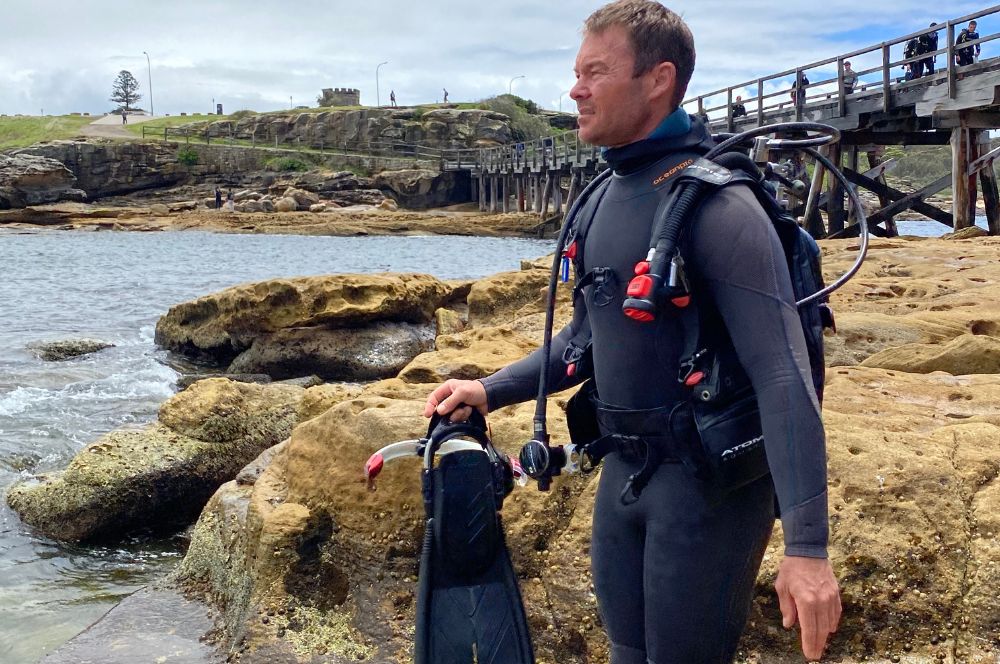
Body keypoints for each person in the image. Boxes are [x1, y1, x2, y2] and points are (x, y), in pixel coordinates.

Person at [423, 2, 841, 663]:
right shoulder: (601, 199)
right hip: (623, 475)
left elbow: (784, 376)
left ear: (657, 80)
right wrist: (489, 388)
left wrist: (808, 551)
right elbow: (584, 343)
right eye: (576, 72)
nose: (576, 90)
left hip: (708, 489)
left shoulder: (721, 208)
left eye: (595, 72)